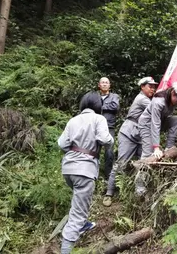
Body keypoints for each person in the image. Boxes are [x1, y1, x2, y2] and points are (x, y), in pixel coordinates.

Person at [58, 92, 114, 254]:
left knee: (78, 202)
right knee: (77, 215)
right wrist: (111, 141)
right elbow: (105, 139)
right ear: (99, 106)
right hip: (85, 169)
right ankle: (66, 249)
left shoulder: (73, 120)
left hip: (68, 169)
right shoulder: (99, 119)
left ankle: (82, 224)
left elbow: (62, 144)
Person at [103, 77, 159, 207]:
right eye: (150, 86)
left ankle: (140, 194)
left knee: (144, 163)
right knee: (121, 164)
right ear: (142, 87)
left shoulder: (149, 100)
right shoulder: (142, 99)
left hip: (142, 135)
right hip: (129, 133)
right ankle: (109, 193)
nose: (153, 89)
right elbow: (157, 109)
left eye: (154, 86)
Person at [98, 77, 120, 178]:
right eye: (102, 82)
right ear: (99, 85)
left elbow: (115, 107)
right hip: (96, 127)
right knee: (94, 151)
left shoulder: (114, 96)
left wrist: (100, 107)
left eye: (106, 83)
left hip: (109, 127)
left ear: (109, 85)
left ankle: (108, 176)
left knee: (109, 152)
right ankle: (95, 174)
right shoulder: (96, 96)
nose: (104, 84)